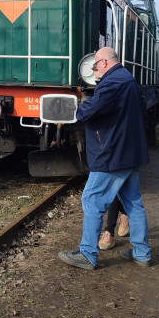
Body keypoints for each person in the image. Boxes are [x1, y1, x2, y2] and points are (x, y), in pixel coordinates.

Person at [58, 46, 151, 270]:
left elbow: (89, 111)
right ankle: (142, 253)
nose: (94, 69)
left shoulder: (112, 82)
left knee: (91, 199)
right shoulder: (128, 79)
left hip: (112, 154)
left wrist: (81, 106)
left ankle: (88, 254)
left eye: (96, 64)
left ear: (105, 63)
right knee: (133, 203)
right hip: (129, 153)